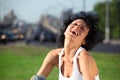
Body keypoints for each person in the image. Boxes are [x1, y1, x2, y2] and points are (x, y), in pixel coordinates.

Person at [31, 11, 103, 80]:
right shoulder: (54, 55)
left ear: (85, 41)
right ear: (65, 30)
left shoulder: (84, 58)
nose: (77, 27)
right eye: (74, 24)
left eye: (82, 28)